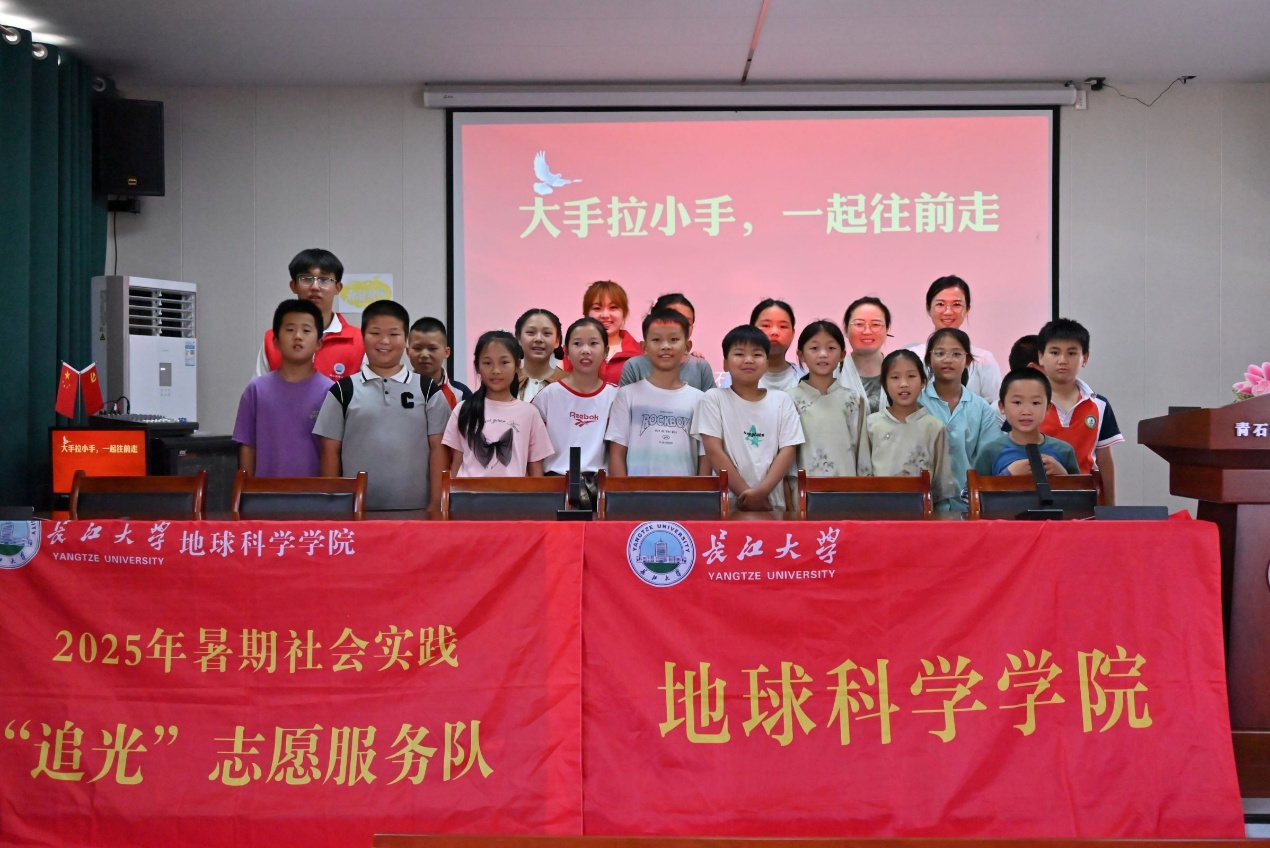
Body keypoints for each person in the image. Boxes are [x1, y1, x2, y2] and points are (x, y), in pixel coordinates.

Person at [313, 300, 448, 511]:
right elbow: (330, 451)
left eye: (394, 334)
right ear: (363, 337)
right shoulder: (343, 390)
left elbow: (439, 449)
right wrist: (334, 503)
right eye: (375, 333)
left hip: (417, 509)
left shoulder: (427, 389)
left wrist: (436, 502)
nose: (384, 341)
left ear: (406, 340)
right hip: (356, 511)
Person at [692, 324, 804, 512]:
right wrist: (747, 495)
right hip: (726, 505)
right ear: (725, 363)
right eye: (739, 354)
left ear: (767, 364)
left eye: (757, 354)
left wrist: (761, 494)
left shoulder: (782, 400)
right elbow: (713, 451)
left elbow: (788, 450)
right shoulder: (713, 399)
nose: (749, 360)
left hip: (771, 504)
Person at [233, 299, 333, 477]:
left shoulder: (331, 392)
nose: (298, 336)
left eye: (306, 330)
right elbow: (247, 446)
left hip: (315, 492)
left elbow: (333, 451)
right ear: (276, 341)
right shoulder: (256, 390)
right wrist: (246, 488)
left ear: (319, 343)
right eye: (290, 329)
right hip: (264, 492)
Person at [606, 308, 709, 477]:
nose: (665, 346)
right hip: (636, 492)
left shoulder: (700, 400)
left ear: (687, 347)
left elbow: (705, 457)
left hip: (686, 493)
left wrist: (701, 492)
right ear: (644, 347)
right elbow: (617, 454)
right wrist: (623, 492)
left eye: (674, 339)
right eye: (656, 340)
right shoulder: (627, 395)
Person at [1036, 318, 1124, 503]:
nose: (1062, 360)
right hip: (1033, 495)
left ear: (1085, 358)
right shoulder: (1027, 401)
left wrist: (1111, 507)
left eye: (1071, 353)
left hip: (1082, 497)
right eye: (1054, 352)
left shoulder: (1099, 404)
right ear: (1041, 356)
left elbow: (1104, 459)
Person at [443, 330, 553, 477]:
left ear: (517, 365)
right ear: (477, 366)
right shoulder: (463, 409)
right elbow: (456, 466)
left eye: (504, 362)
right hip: (469, 492)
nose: (496, 370)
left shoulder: (530, 413)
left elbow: (536, 473)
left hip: (514, 492)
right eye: (487, 363)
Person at [918, 327, 1000, 512]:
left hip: (969, 505)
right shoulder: (917, 402)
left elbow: (988, 458)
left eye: (956, 354)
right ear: (929, 360)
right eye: (940, 353)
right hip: (924, 504)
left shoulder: (981, 408)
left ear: (967, 361)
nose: (948, 360)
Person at [864, 349, 957, 509]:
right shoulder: (872, 424)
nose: (903, 384)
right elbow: (863, 475)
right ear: (884, 383)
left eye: (911, 376)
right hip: (878, 510)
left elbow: (941, 481)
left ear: (923, 381)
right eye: (895, 377)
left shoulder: (933, 426)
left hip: (922, 511)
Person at [255, 248, 365, 381]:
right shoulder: (274, 338)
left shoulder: (360, 341)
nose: (315, 287)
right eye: (306, 279)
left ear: (338, 288)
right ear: (294, 286)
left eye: (324, 279)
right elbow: (260, 390)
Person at [532, 318, 618, 483]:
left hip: (599, 487)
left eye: (593, 343)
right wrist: (540, 488)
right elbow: (533, 449)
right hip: (555, 484)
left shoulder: (616, 396)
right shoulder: (548, 396)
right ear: (567, 352)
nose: (585, 350)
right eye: (577, 344)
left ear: (606, 351)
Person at [787, 320, 869, 478]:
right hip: (804, 489)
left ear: (842, 355)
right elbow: (785, 455)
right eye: (814, 348)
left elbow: (862, 453)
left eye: (831, 348)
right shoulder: (789, 400)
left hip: (847, 488)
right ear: (801, 355)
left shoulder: (853, 400)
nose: (823, 354)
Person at [906, 275, 1003, 407]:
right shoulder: (912, 356)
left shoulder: (983, 360)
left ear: (967, 309)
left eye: (956, 304)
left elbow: (994, 407)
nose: (948, 312)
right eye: (940, 304)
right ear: (928, 308)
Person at [974, 368, 1080, 477]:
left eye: (1035, 403)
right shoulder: (990, 451)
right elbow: (973, 488)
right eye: (1017, 402)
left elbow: (1080, 487)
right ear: (1002, 406)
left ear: (1048, 408)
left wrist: (1063, 474)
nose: (1026, 412)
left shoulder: (1064, 451)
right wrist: (1007, 475)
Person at [618, 293, 716, 392]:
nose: (679, 325)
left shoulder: (700, 366)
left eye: (687, 322)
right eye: (671, 317)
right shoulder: (635, 366)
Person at [718, 299, 807, 392]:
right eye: (766, 325)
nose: (774, 332)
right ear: (752, 330)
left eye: (783, 326)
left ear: (792, 334)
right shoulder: (734, 377)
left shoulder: (806, 380)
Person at [565, 280, 642, 384]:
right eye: (597, 308)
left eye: (613, 307)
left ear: (624, 312)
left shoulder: (640, 354)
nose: (605, 315)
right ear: (586, 314)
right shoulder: (568, 351)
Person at [407, 316, 472, 410]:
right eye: (417, 348)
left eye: (432, 348)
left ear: (446, 352)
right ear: (408, 351)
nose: (424, 355)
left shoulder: (461, 394)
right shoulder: (397, 390)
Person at [840, 296, 891, 414]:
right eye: (859, 324)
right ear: (846, 329)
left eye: (876, 324)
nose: (867, 331)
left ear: (887, 329)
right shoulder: (834, 373)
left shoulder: (900, 370)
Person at [515, 308, 565, 402]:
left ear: (557, 341)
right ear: (519, 339)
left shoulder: (568, 383)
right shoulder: (507, 381)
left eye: (547, 333)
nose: (538, 339)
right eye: (530, 332)